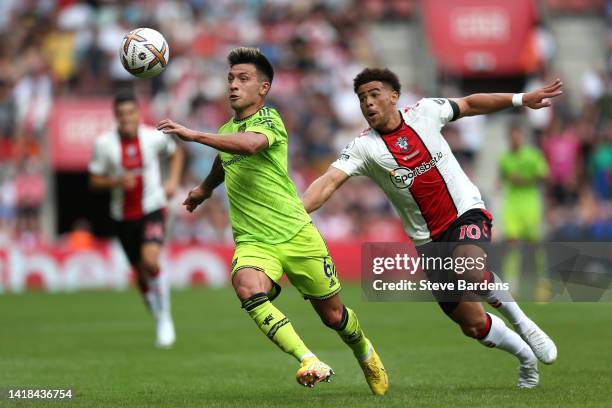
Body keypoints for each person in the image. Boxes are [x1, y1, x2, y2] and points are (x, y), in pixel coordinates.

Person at [302, 68, 562, 388]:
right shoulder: (363, 147)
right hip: (428, 240)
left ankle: (524, 324)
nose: (368, 103)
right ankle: (525, 357)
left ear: (393, 96)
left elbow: (470, 104)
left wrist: (521, 99)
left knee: (470, 267)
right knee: (472, 323)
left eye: (374, 94)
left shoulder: (425, 112)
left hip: (465, 212)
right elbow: (328, 182)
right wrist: (296, 212)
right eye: (361, 98)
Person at [156, 47, 388, 395]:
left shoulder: (270, 120)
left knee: (334, 316)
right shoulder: (225, 130)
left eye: (243, 79)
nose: (233, 85)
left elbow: (248, 146)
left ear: (263, 88)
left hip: (296, 233)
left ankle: (363, 350)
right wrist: (205, 189)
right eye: (230, 78)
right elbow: (226, 157)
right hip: (254, 241)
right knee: (247, 286)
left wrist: (195, 135)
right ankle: (308, 359)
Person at [89, 91, 184, 348]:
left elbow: (176, 153)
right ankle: (157, 315)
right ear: (116, 117)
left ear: (138, 113)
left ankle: (165, 320)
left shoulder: (153, 138)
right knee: (141, 274)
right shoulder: (104, 144)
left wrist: (173, 181)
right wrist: (116, 180)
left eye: (130, 113)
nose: (126, 118)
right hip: (122, 217)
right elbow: (94, 179)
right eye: (121, 114)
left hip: (152, 208)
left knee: (150, 260)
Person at [499, 123, 549, 299]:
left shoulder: (533, 155)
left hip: (530, 204)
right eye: (511, 136)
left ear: (521, 137)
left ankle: (543, 284)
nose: (514, 139)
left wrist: (525, 178)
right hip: (512, 204)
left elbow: (543, 174)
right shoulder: (504, 158)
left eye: (517, 136)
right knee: (512, 244)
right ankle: (511, 286)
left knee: (535, 245)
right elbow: (503, 178)